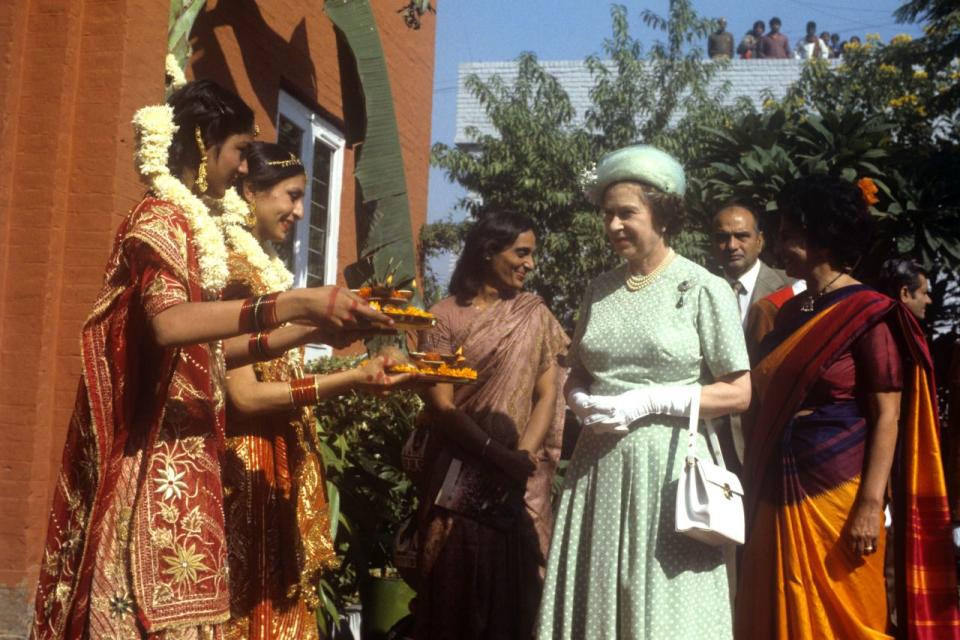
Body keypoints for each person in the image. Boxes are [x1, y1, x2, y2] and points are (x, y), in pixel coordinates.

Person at [30, 81, 391, 640]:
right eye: (241, 150)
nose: (246, 167)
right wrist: (292, 302)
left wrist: (313, 326)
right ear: (203, 143)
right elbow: (169, 323)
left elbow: (213, 352)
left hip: (190, 453)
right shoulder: (160, 220)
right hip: (154, 463)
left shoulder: (189, 226)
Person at [537, 145, 751, 639]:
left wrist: (654, 400)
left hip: (671, 469)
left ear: (662, 214)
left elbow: (739, 393)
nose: (613, 226)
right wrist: (580, 401)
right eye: (607, 214)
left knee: (664, 609)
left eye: (626, 213)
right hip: (599, 468)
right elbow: (577, 372)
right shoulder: (599, 289)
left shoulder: (702, 288)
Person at [735, 175, 960, 639]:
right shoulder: (791, 313)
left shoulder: (867, 313)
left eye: (791, 230)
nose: (781, 239)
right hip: (777, 489)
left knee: (849, 619)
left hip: (838, 496)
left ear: (822, 237)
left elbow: (887, 417)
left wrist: (870, 506)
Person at [217, 142, 410, 638]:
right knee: (248, 606)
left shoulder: (262, 265)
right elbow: (246, 397)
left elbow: (271, 351)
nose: (301, 212)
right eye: (292, 196)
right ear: (249, 191)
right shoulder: (232, 269)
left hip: (274, 457)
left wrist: (329, 328)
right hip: (246, 460)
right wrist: (352, 377)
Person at [410, 211, 568, 640]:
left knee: (516, 594)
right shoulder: (443, 318)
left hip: (517, 480)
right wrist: (496, 456)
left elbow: (546, 394)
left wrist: (521, 458)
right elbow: (441, 404)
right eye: (522, 252)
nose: (530, 264)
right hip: (456, 478)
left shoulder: (534, 315)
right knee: (452, 588)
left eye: (532, 254)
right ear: (487, 251)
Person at [712, 199, 792, 329]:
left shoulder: (793, 286)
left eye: (741, 236)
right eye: (722, 237)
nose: (732, 246)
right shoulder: (701, 289)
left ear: (759, 241)